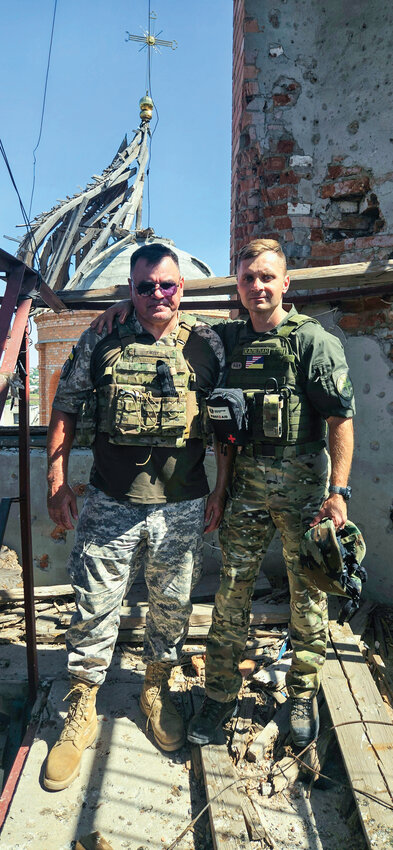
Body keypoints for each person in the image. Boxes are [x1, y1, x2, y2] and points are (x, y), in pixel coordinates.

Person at [96, 238, 355, 749]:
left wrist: (338, 491)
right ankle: (219, 695)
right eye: (247, 278)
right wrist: (128, 305)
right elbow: (167, 319)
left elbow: (340, 419)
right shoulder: (230, 338)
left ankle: (302, 693)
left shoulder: (313, 342)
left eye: (266, 277)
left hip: (304, 491)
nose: (256, 286)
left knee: (308, 595)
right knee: (231, 593)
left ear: (285, 283)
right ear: (238, 287)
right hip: (244, 491)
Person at [44, 243, 228, 791]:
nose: (156, 296)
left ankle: (157, 689)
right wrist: (55, 482)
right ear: (130, 289)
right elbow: (66, 407)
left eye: (166, 285)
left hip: (182, 505)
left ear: (181, 287)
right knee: (93, 608)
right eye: (144, 287)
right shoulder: (102, 335)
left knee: (170, 611)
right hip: (109, 503)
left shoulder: (207, 343)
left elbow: (224, 419)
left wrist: (222, 487)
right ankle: (80, 710)